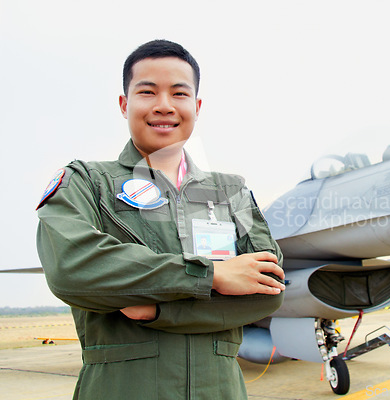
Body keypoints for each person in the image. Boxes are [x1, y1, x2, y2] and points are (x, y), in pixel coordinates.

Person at [36, 39, 285, 400]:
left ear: (197, 107)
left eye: (179, 94)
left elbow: (269, 290)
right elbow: (72, 268)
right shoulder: (85, 181)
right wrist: (212, 276)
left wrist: (157, 311)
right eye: (148, 92)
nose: (164, 106)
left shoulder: (230, 192)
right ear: (124, 104)